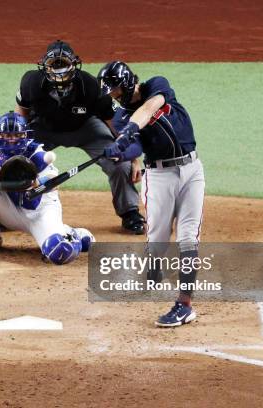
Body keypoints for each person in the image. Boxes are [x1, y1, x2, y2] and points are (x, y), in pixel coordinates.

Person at [98, 61, 205, 327]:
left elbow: (149, 108)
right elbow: (135, 149)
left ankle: (184, 304)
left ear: (125, 83)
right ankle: (154, 266)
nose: (112, 95)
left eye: (114, 90)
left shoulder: (156, 85)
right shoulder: (122, 117)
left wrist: (130, 131)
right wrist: (120, 150)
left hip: (192, 169)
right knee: (158, 235)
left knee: (188, 236)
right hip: (159, 176)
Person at [14, 40, 145, 234]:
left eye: (63, 63)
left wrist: (133, 158)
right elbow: (21, 115)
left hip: (86, 128)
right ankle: (10, 213)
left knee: (120, 162)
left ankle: (130, 213)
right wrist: (18, 145)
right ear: (45, 66)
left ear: (73, 64)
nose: (59, 69)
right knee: (16, 162)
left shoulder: (90, 85)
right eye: (54, 64)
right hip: (45, 128)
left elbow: (113, 123)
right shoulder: (31, 82)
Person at [0, 111, 95, 265]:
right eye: (6, 135)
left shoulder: (37, 154)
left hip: (38, 212)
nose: (11, 140)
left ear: (24, 136)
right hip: (7, 207)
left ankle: (72, 234)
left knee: (59, 251)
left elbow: (53, 183)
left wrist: (38, 183)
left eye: (15, 135)